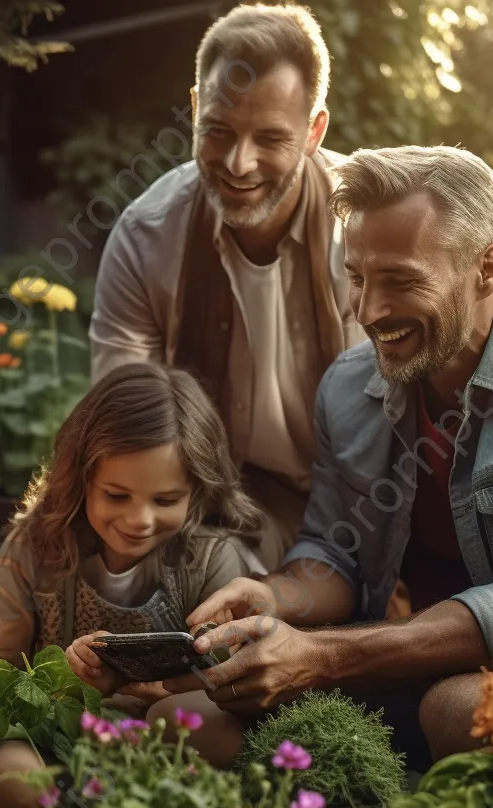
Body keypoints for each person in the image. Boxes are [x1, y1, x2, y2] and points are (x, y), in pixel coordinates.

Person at [154, 145, 493, 802]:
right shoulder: (349, 387)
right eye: (356, 277)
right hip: (399, 665)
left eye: (400, 281)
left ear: (486, 269)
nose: (367, 310)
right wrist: (274, 599)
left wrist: (322, 658)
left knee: (458, 712)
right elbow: (333, 554)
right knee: (189, 722)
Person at [90, 3, 365, 571]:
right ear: (194, 109)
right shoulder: (147, 238)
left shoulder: (366, 231)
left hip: (359, 499)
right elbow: (126, 420)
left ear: (315, 131)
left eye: (270, 137)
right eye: (218, 130)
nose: (240, 163)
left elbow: (411, 416)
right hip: (214, 497)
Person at [0, 363, 264, 808]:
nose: (139, 519)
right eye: (117, 496)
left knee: (208, 724)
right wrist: (67, 676)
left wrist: (148, 688)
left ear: (197, 491)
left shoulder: (211, 559)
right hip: (55, 732)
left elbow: (234, 678)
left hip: (159, 734)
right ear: (81, 479)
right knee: (10, 774)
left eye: (165, 501)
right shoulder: (33, 547)